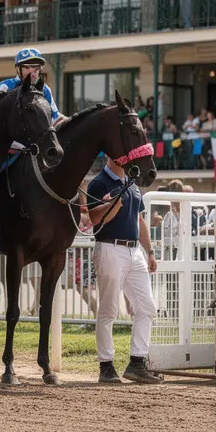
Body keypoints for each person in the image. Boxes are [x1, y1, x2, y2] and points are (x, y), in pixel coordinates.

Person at [87, 151, 160, 385]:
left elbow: (140, 221)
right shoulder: (98, 183)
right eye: (125, 156)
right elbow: (95, 219)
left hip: (133, 251)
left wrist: (149, 251)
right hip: (110, 247)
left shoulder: (133, 183)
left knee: (147, 307)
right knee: (108, 310)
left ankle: (137, 362)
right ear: (114, 158)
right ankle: (106, 365)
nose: (129, 160)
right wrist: (113, 204)